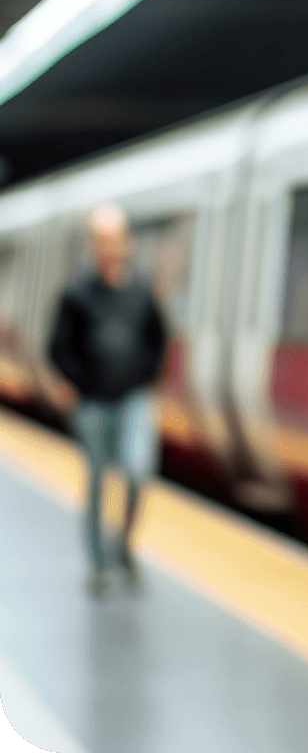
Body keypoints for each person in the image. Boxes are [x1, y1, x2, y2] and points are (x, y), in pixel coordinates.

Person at [49, 203, 167, 593]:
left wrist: (146, 378)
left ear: (126, 242)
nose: (109, 247)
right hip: (93, 404)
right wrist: (78, 382)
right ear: (92, 245)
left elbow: (158, 339)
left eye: (114, 239)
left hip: (133, 399)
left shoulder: (142, 291)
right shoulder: (76, 294)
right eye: (101, 240)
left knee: (137, 471)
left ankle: (125, 547)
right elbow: (58, 348)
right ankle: (99, 564)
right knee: (98, 479)